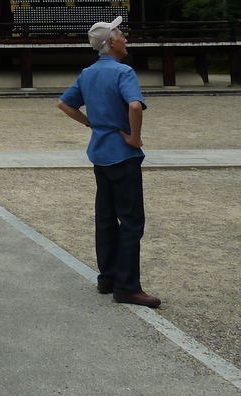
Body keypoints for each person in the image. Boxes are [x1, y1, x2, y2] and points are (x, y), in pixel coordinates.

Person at [57, 15, 161, 308]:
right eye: (121, 34)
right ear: (112, 43)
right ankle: (128, 286)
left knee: (106, 216)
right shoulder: (123, 72)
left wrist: (91, 123)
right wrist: (134, 138)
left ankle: (108, 277)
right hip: (123, 154)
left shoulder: (87, 73)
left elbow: (64, 104)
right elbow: (134, 105)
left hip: (100, 152)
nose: (125, 38)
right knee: (131, 221)